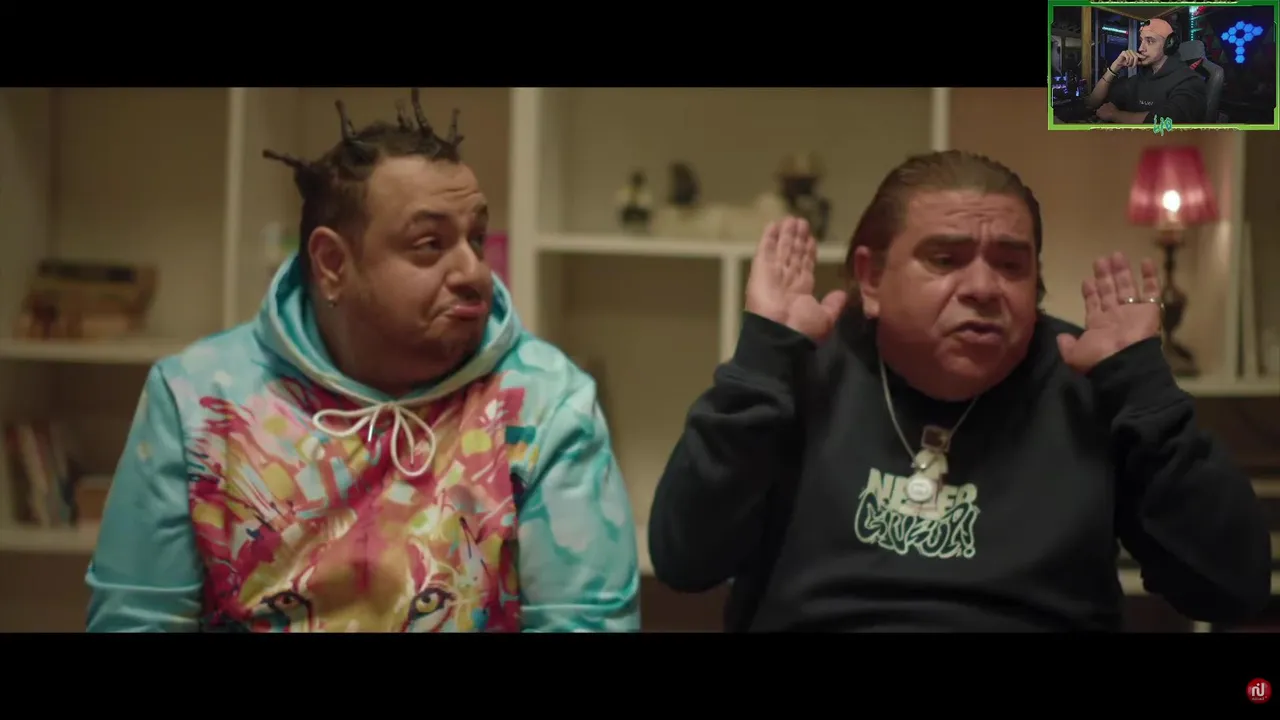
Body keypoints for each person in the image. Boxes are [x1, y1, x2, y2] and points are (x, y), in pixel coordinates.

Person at [84, 89, 640, 633]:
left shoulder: (546, 404)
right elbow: (137, 620)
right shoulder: (198, 401)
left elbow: (584, 623)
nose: (474, 271)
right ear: (332, 263)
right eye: (430, 244)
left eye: (475, 238)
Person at [647, 150, 1272, 632]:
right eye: (945, 259)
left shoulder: (1089, 384)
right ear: (871, 277)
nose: (982, 288)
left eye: (1011, 264)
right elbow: (685, 561)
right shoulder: (799, 371)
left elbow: (1232, 588)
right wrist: (760, 360)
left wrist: (1145, 392)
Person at [1085, 18, 1209, 124]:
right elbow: (1093, 103)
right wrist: (1114, 68)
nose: (1140, 48)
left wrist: (1115, 115)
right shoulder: (1139, 79)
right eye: (1141, 40)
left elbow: (1167, 121)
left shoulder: (1189, 81)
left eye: (1150, 41)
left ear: (1169, 44)